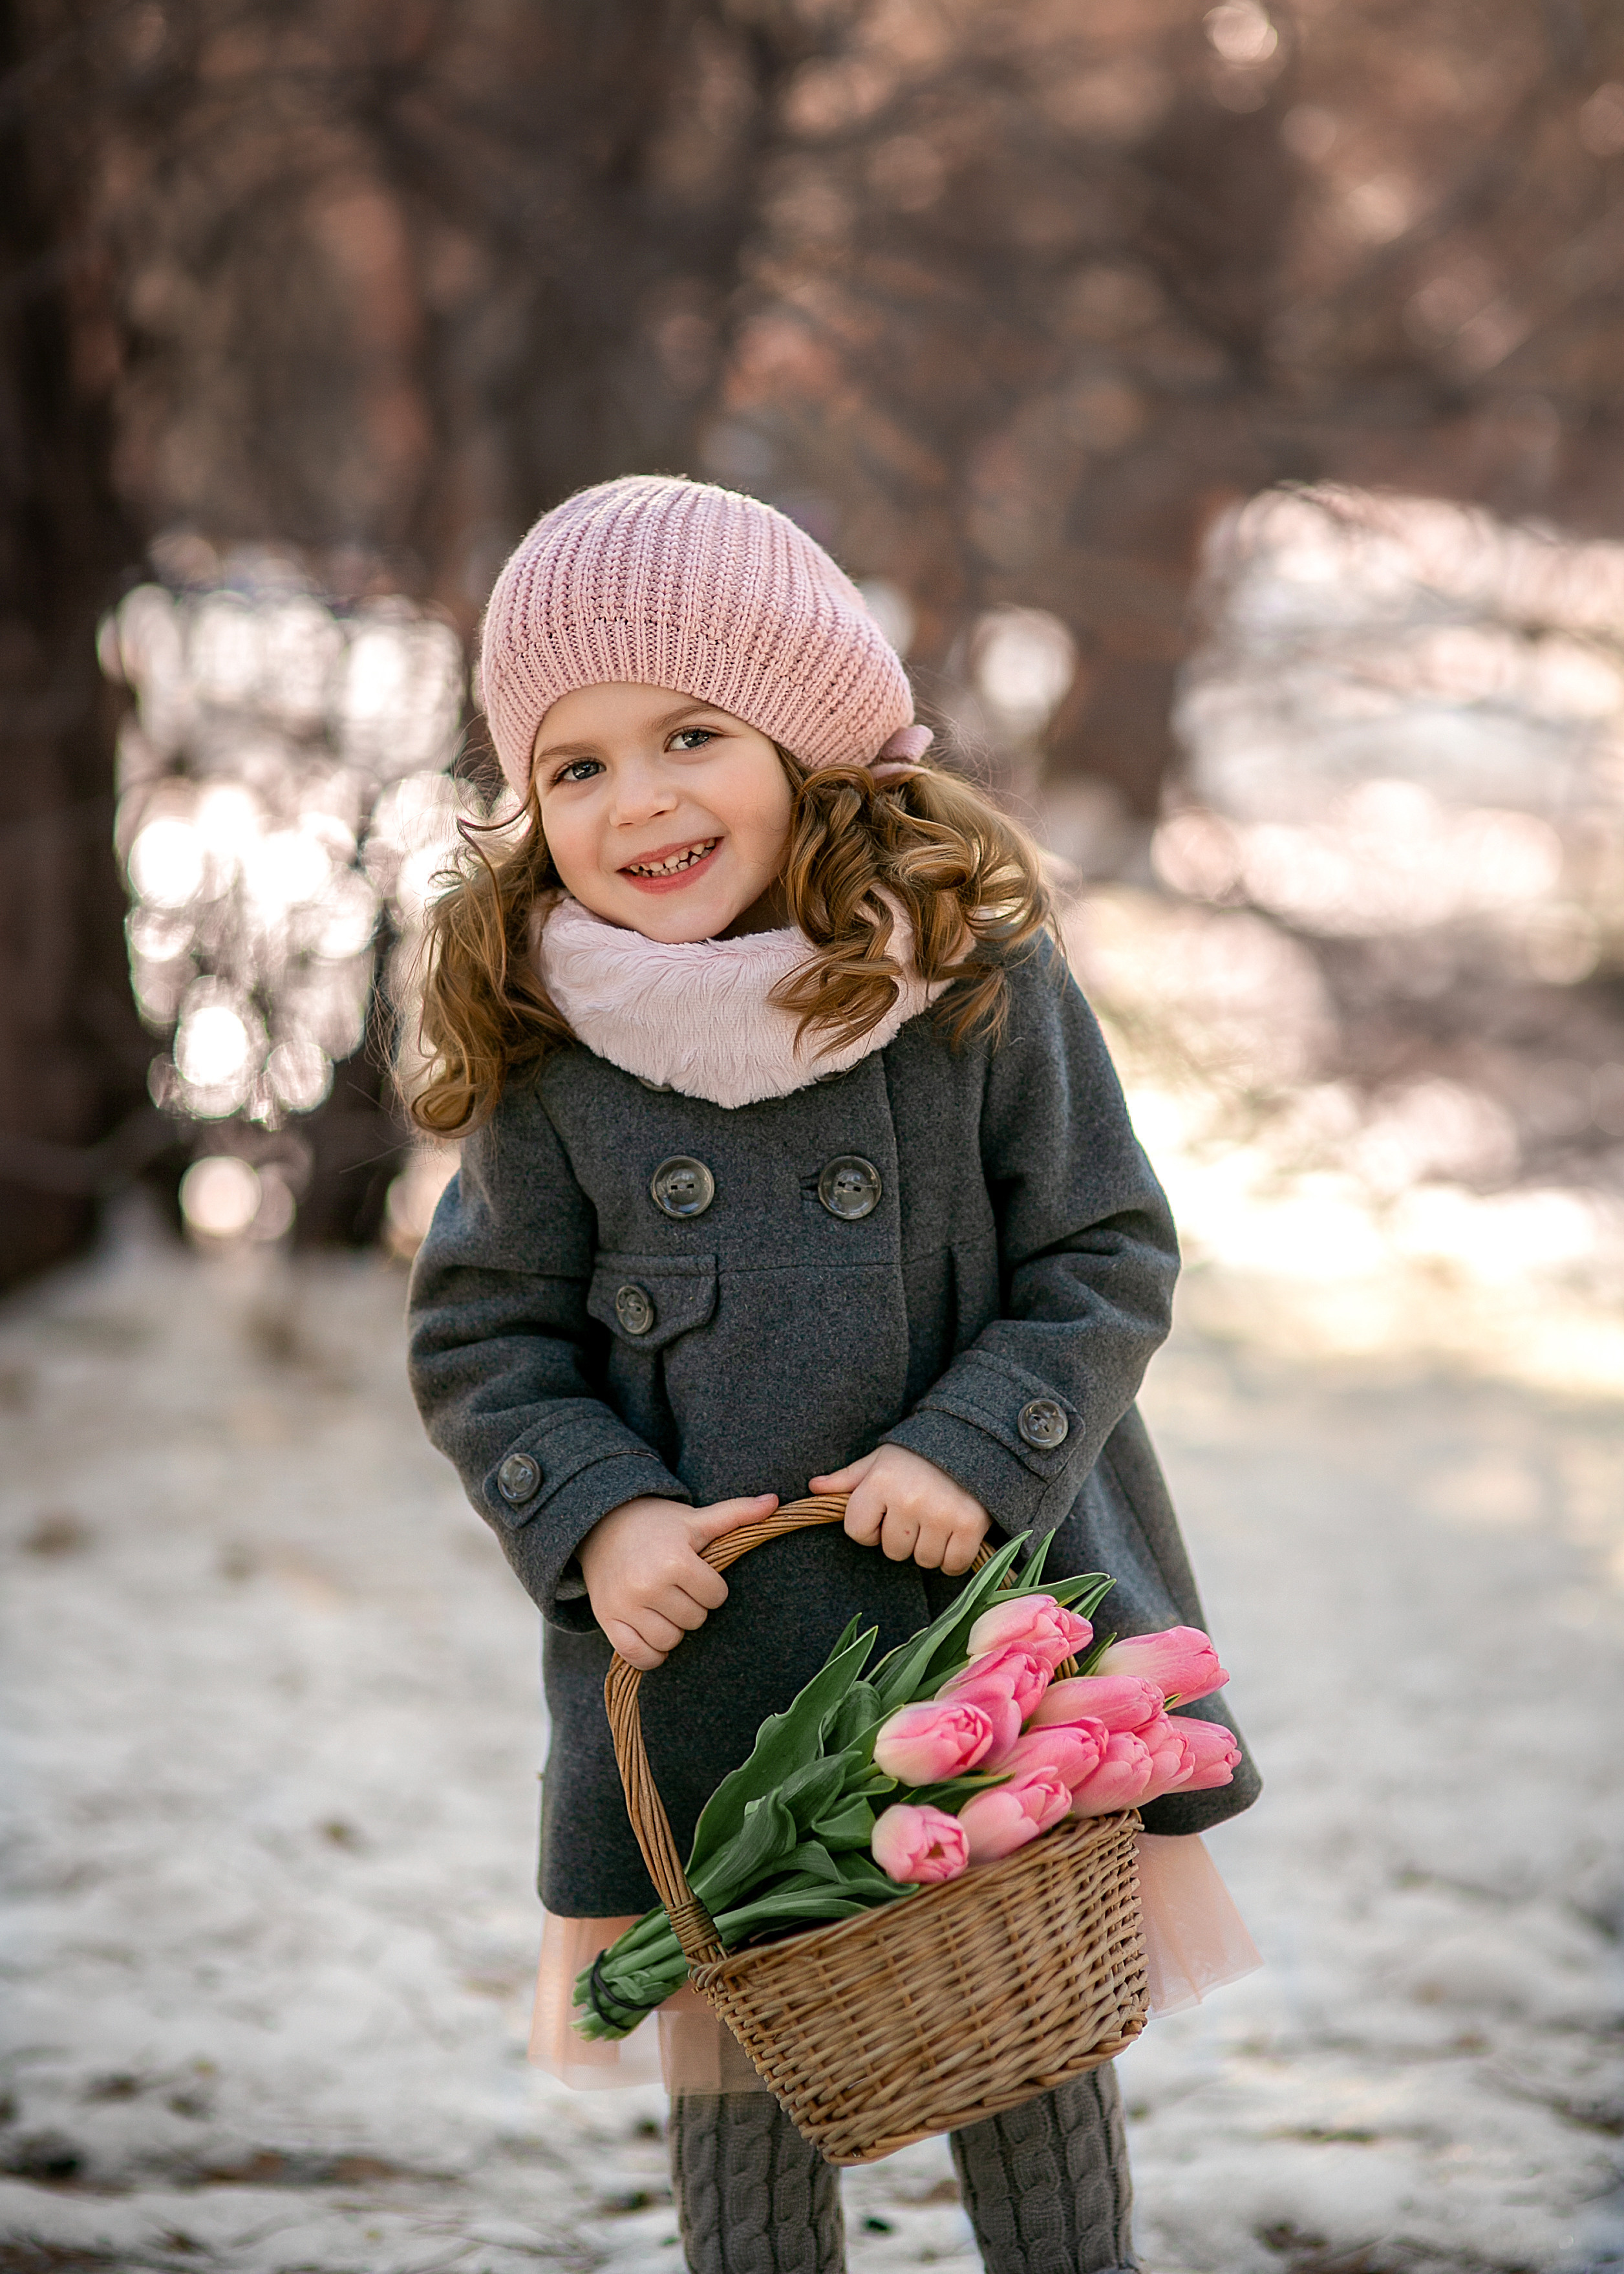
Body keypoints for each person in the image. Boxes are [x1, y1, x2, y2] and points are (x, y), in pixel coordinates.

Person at [404, 475, 1261, 2274]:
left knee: (1024, 2030)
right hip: (718, 1662)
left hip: (982, 1621)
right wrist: (601, 1519)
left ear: (809, 735)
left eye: (692, 734)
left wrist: (977, 1446)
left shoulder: (964, 975)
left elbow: (1106, 1248)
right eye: (577, 765)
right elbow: (485, 1334)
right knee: (745, 2072)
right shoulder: (557, 1039)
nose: (639, 800)